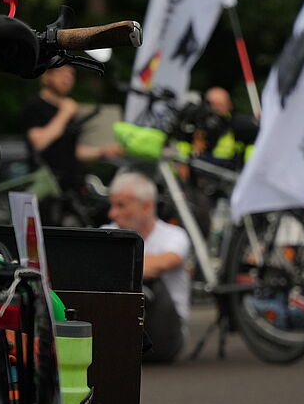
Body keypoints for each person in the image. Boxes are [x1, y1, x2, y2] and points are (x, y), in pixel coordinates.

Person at [104, 171, 191, 364]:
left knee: (146, 285)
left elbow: (164, 263)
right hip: (120, 335)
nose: (112, 213)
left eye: (121, 205)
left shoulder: (174, 235)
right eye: (112, 205)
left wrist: (110, 267)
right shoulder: (106, 232)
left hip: (166, 334)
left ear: (146, 207)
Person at [19, 64, 108, 194]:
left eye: (71, 74)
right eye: (61, 73)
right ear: (46, 77)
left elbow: (72, 149)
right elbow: (39, 142)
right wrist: (64, 113)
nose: (67, 78)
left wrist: (103, 152)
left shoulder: (69, 109)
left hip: (72, 185)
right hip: (48, 184)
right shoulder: (35, 106)